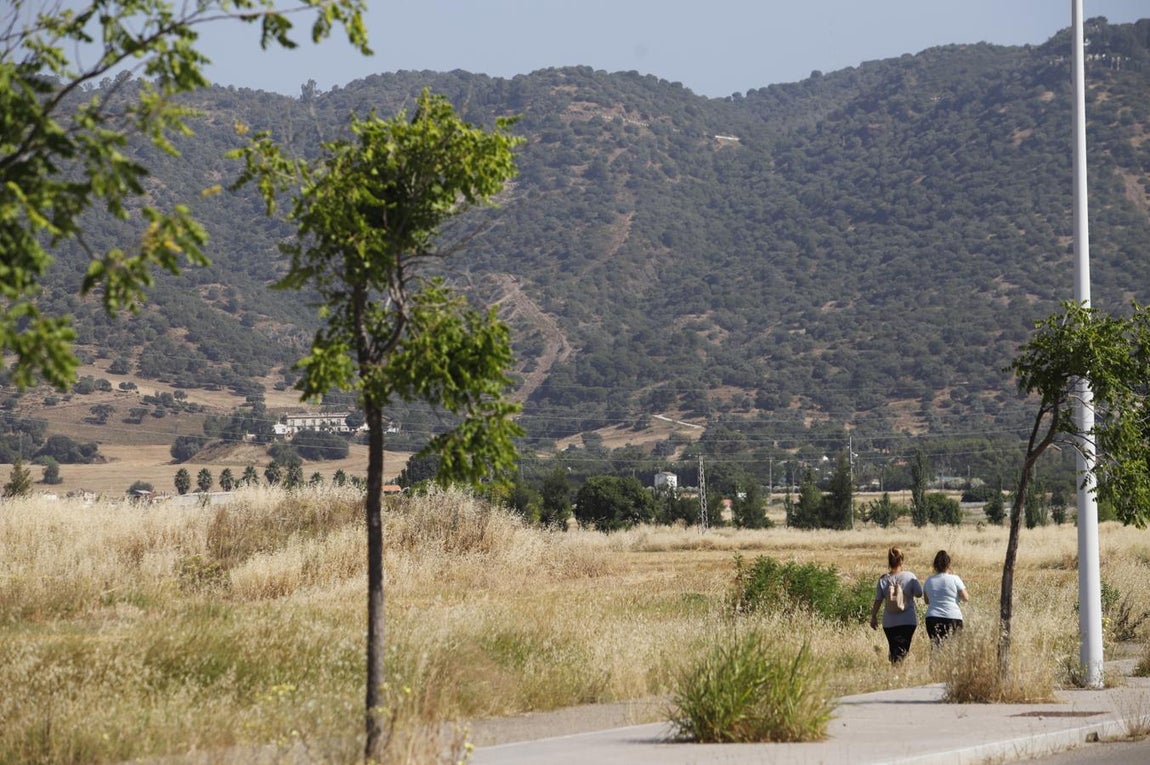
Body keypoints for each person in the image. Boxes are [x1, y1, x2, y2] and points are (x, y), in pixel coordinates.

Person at [869, 546, 923, 663]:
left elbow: (878, 600)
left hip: (889, 622)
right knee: (903, 650)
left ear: (889, 561)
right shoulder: (910, 576)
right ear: (902, 560)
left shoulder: (883, 579)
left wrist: (873, 616)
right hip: (907, 620)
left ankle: (894, 671)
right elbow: (919, 593)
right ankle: (900, 673)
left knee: (894, 649)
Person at [922, 549, 969, 648]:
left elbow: (926, 601)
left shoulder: (929, 580)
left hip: (932, 617)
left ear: (935, 565)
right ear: (948, 563)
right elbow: (966, 598)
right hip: (953, 616)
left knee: (936, 648)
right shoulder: (955, 578)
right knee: (952, 649)